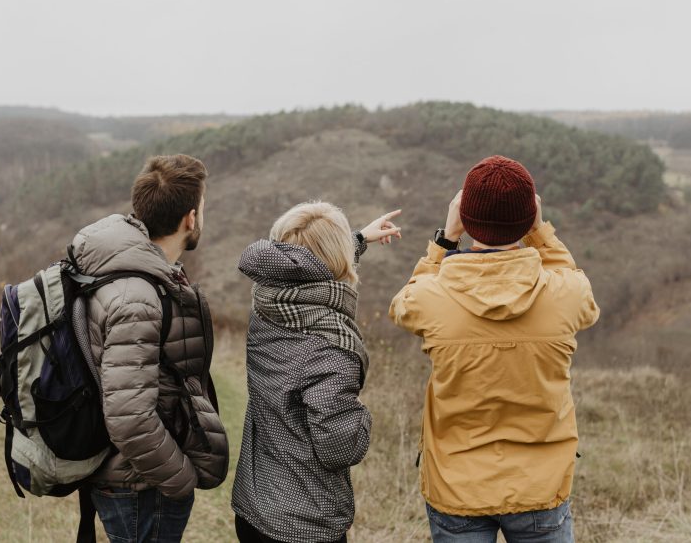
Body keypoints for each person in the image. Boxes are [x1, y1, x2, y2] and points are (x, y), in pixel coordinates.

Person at [390, 155, 599, 543]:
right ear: (529, 216)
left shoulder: (432, 297)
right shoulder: (567, 294)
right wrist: (541, 234)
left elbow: (404, 304)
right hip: (540, 485)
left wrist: (444, 242)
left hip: (456, 485)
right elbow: (575, 284)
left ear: (465, 217)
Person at [68, 154, 228, 543]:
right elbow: (129, 417)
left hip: (136, 478)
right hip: (140, 486)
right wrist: (180, 479)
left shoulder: (140, 272)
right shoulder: (136, 297)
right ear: (190, 218)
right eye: (203, 207)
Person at [231, 201, 402, 543]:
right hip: (304, 522)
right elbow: (340, 448)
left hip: (254, 505)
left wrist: (357, 239)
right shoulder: (329, 346)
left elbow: (304, 269)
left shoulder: (268, 307)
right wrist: (364, 418)